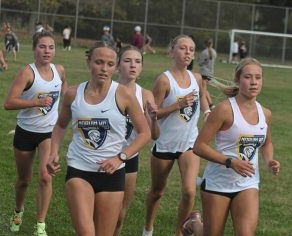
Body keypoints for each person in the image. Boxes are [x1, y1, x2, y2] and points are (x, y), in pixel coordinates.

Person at [46, 41, 151, 236]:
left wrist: (121, 157)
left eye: (110, 64)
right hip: (80, 169)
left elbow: (145, 133)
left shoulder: (124, 95)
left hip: (113, 174)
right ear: (89, 62)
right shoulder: (73, 94)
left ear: (116, 66)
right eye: (99, 62)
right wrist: (53, 152)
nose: (104, 69)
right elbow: (60, 125)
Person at [194, 58, 280, 236]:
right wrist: (230, 162)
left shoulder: (265, 113)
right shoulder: (224, 110)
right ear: (238, 80)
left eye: (258, 77)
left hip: (248, 184)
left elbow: (267, 143)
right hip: (218, 183)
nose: (254, 82)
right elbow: (199, 146)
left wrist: (270, 160)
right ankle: (194, 225)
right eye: (248, 77)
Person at [142, 35, 210, 236]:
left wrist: (207, 112)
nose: (188, 52)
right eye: (182, 48)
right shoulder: (164, 80)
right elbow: (153, 114)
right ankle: (148, 229)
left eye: (191, 49)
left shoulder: (196, 78)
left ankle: (179, 233)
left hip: (189, 144)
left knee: (189, 192)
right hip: (164, 144)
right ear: (172, 51)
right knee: (157, 192)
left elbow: (203, 97)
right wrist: (177, 105)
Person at [4, 31, 68, 236]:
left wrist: (69, 105)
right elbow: (9, 102)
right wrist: (36, 102)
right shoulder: (27, 73)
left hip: (48, 133)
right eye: (42, 47)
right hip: (25, 132)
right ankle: (18, 210)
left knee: (45, 177)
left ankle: (40, 224)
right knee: (24, 179)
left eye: (51, 47)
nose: (47, 51)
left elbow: (64, 90)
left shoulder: (60, 71)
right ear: (34, 49)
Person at [113, 45, 160, 236]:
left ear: (141, 67)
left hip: (129, 157)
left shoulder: (145, 95)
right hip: (104, 155)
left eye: (137, 61)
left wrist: (154, 118)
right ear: (117, 65)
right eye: (127, 60)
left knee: (119, 215)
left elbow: (155, 135)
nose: (133, 65)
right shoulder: (108, 89)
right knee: (100, 211)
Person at [198, 38, 217, 110]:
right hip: (210, 72)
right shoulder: (214, 52)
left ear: (205, 44)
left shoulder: (204, 52)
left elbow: (200, 63)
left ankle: (208, 105)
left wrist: (199, 62)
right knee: (204, 89)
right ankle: (209, 105)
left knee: (203, 90)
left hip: (204, 72)